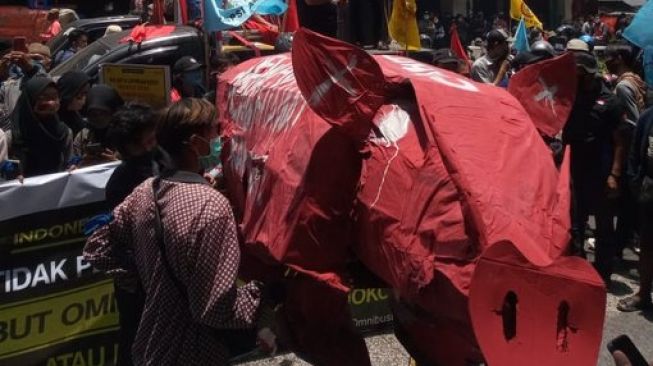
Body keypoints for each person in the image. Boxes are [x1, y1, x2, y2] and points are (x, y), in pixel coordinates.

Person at [83, 98, 266, 365]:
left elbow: (96, 246)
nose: (222, 138)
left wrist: (147, 276)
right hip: (195, 352)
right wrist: (265, 295)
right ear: (195, 143)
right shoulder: (211, 205)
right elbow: (215, 310)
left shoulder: (144, 192)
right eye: (214, 132)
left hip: (151, 347)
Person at [563, 52, 626, 283]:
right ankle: (578, 269)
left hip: (601, 171)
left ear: (590, 75)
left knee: (603, 225)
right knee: (575, 222)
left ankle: (603, 274)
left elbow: (620, 141)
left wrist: (614, 174)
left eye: (580, 72)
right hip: (575, 169)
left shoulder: (611, 102)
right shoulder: (572, 96)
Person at [605, 43, 648, 259]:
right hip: (635, 150)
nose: (606, 61)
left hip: (629, 150)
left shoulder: (623, 87)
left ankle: (618, 247)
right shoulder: (636, 80)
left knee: (624, 204)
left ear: (620, 58)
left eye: (609, 57)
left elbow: (634, 121)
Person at [618, 107, 653, 312]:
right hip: (649, 190)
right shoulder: (647, 117)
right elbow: (634, 155)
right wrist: (636, 184)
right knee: (648, 248)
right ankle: (643, 294)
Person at [8, 77, 73, 177]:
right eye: (44, 98)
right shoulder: (13, 136)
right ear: (30, 101)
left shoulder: (64, 133)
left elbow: (69, 162)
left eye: (55, 97)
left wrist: (72, 167)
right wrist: (11, 174)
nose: (51, 103)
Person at [0, 47, 49, 131]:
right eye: (31, 58)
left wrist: (31, 69)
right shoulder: (9, 86)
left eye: (37, 59)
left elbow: (43, 84)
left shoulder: (51, 83)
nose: (34, 62)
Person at [74, 85, 123, 166]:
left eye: (103, 113)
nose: (98, 118)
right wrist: (82, 164)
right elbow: (73, 163)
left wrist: (116, 163)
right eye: (93, 114)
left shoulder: (126, 137)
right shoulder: (83, 136)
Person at [57, 71, 90, 136]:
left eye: (86, 94)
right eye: (81, 94)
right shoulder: (55, 120)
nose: (84, 98)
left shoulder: (74, 114)